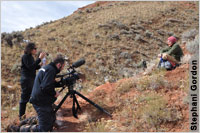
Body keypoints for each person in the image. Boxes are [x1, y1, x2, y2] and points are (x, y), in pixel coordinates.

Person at [25, 54, 66, 132]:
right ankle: (21, 129)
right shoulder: (51, 70)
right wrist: (54, 93)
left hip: (40, 99)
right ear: (59, 64)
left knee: (52, 118)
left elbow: (49, 83)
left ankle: (25, 121)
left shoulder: (47, 68)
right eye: (63, 66)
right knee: (44, 128)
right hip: (40, 101)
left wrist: (61, 83)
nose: (62, 68)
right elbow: (46, 86)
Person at [19, 42, 45, 120]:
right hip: (26, 80)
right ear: (30, 49)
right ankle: (21, 117)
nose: (36, 50)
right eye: (35, 49)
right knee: (24, 99)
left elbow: (33, 67)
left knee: (34, 96)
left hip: (31, 80)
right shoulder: (25, 57)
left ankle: (41, 114)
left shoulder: (30, 57)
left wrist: (40, 65)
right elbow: (30, 67)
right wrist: (39, 58)